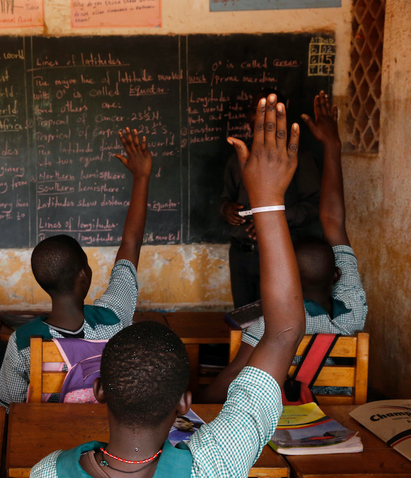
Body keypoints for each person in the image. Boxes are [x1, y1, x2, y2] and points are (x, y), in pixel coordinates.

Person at [31, 92, 306, 478]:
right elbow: (283, 333)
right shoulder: (216, 463)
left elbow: (281, 335)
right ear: (183, 403)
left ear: (100, 392)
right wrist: (268, 198)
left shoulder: (46, 472)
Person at [199, 91, 367, 404]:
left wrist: (194, 400)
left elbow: (233, 377)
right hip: (335, 416)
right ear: (336, 274)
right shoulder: (354, 307)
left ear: (285, 282)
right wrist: (334, 145)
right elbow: (333, 219)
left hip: (278, 420)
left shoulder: (270, 325)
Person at [0, 127, 151, 411]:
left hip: (48, 445)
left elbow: (6, 410)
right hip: (107, 441)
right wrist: (142, 177)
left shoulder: (24, 342)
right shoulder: (114, 319)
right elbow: (131, 243)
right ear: (84, 276)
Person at [221, 89, 322, 308]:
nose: (263, 117)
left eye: (272, 111)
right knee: (243, 320)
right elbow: (224, 199)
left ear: (284, 115)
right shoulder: (238, 158)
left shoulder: (298, 158)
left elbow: (315, 205)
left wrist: (271, 221)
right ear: (249, 117)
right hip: (241, 254)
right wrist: (226, 208)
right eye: (256, 111)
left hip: (280, 253)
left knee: (274, 317)